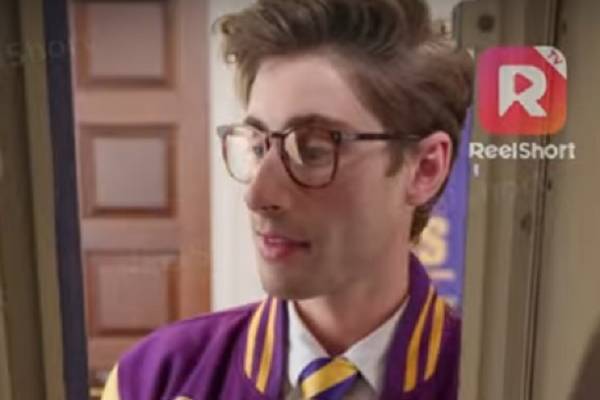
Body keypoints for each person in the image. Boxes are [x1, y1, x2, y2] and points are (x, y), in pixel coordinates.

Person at [101, 0, 473, 399]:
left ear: (425, 169)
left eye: (313, 150)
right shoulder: (154, 378)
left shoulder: (495, 382)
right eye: (258, 146)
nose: (258, 195)